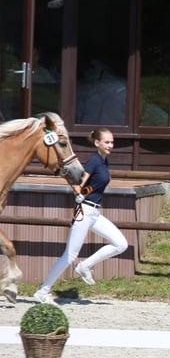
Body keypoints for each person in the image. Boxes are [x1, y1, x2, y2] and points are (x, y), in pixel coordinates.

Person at [33, 127, 128, 306]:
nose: (110, 145)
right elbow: (79, 182)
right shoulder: (94, 161)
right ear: (97, 143)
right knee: (69, 255)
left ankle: (84, 266)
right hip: (83, 211)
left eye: (112, 142)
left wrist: (83, 192)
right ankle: (42, 291)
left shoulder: (104, 162)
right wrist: (79, 193)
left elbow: (90, 186)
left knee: (120, 244)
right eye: (107, 142)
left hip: (94, 212)